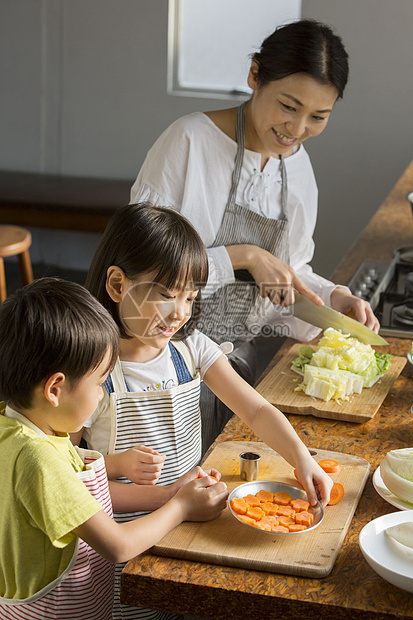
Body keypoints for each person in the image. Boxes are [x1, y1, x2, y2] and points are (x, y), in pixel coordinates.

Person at [129, 19, 380, 452]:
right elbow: (141, 266)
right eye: (288, 106)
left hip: (241, 368)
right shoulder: (188, 142)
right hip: (161, 366)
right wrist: (242, 255)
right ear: (254, 75)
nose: (297, 129)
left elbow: (288, 270)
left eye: (318, 117)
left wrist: (332, 298)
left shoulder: (298, 170)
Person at [81, 202, 334, 620]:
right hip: (126, 542)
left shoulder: (192, 349)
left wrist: (302, 458)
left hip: (191, 522)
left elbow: (255, 410)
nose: (180, 312)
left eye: (190, 296)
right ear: (116, 283)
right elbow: (78, 483)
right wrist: (168, 497)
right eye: (165, 295)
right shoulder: (91, 371)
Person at [0, 278, 228, 620]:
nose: (101, 395)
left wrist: (169, 493)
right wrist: (180, 507)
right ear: (55, 389)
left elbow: (82, 501)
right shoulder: (39, 460)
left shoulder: (19, 428)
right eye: (98, 384)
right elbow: (117, 545)